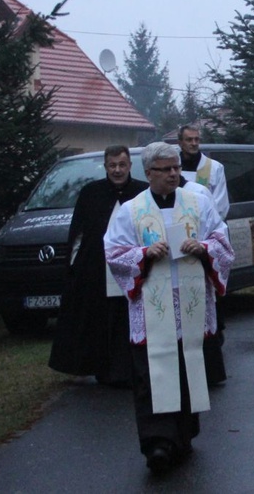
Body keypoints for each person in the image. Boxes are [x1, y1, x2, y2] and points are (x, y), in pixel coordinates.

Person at [104, 142, 234, 473]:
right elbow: (114, 253)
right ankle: (157, 444)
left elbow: (222, 241)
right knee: (152, 374)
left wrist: (203, 247)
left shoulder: (198, 202)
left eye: (177, 168)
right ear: (148, 173)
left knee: (188, 368)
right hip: (152, 307)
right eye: (166, 169)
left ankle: (183, 435)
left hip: (190, 303)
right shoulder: (131, 210)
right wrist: (144, 254)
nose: (174, 174)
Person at [49, 145, 148, 386]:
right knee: (101, 321)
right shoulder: (91, 193)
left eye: (121, 165)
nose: (117, 170)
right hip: (97, 270)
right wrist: (74, 267)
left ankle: (133, 370)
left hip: (133, 268)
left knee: (129, 320)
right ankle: (104, 370)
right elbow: (79, 233)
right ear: (105, 167)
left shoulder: (142, 193)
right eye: (112, 165)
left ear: (129, 166)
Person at [178, 125, 229, 386]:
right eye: (189, 140)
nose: (194, 144)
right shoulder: (171, 164)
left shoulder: (213, 168)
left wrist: (205, 235)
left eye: (197, 139)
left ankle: (214, 334)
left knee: (210, 291)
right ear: (180, 142)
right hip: (178, 238)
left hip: (205, 235)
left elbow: (219, 205)